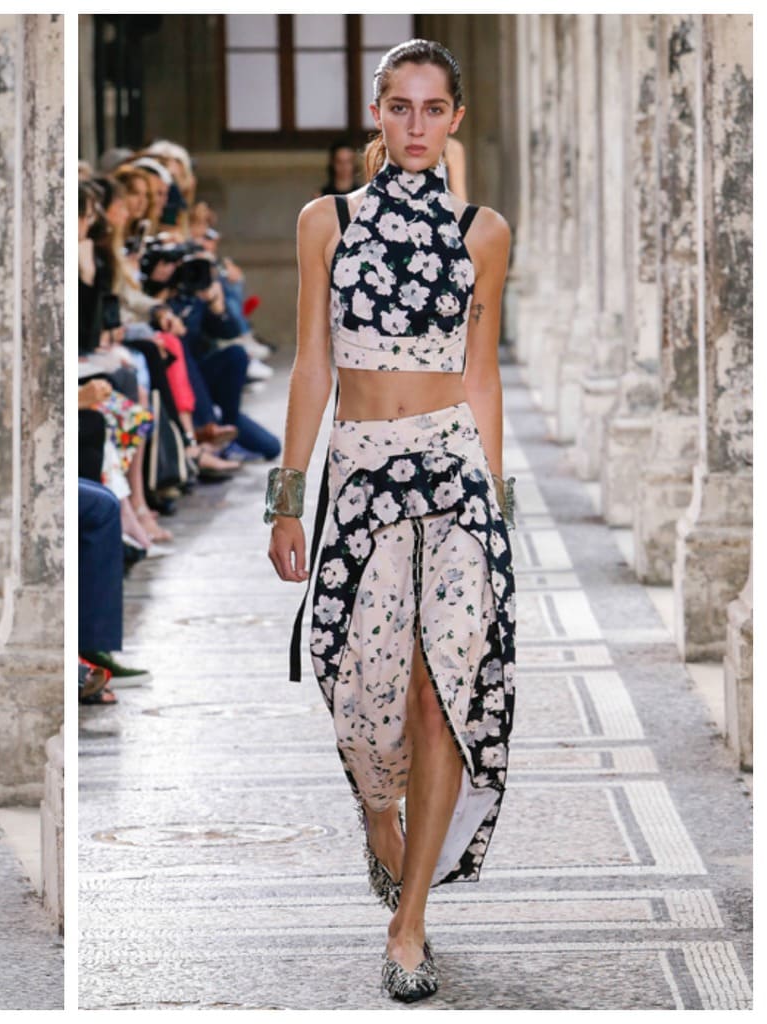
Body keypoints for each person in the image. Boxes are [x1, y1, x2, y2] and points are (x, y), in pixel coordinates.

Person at [268, 39, 515, 1004]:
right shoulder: (322, 222)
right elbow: (310, 367)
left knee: (437, 690)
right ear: (377, 113)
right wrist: (286, 501)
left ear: (455, 118)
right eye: (398, 107)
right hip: (360, 477)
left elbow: (482, 374)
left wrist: (501, 519)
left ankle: (408, 922)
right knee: (354, 683)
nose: (416, 125)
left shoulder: (482, 230)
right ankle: (382, 817)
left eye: (433, 108)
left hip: (452, 475)